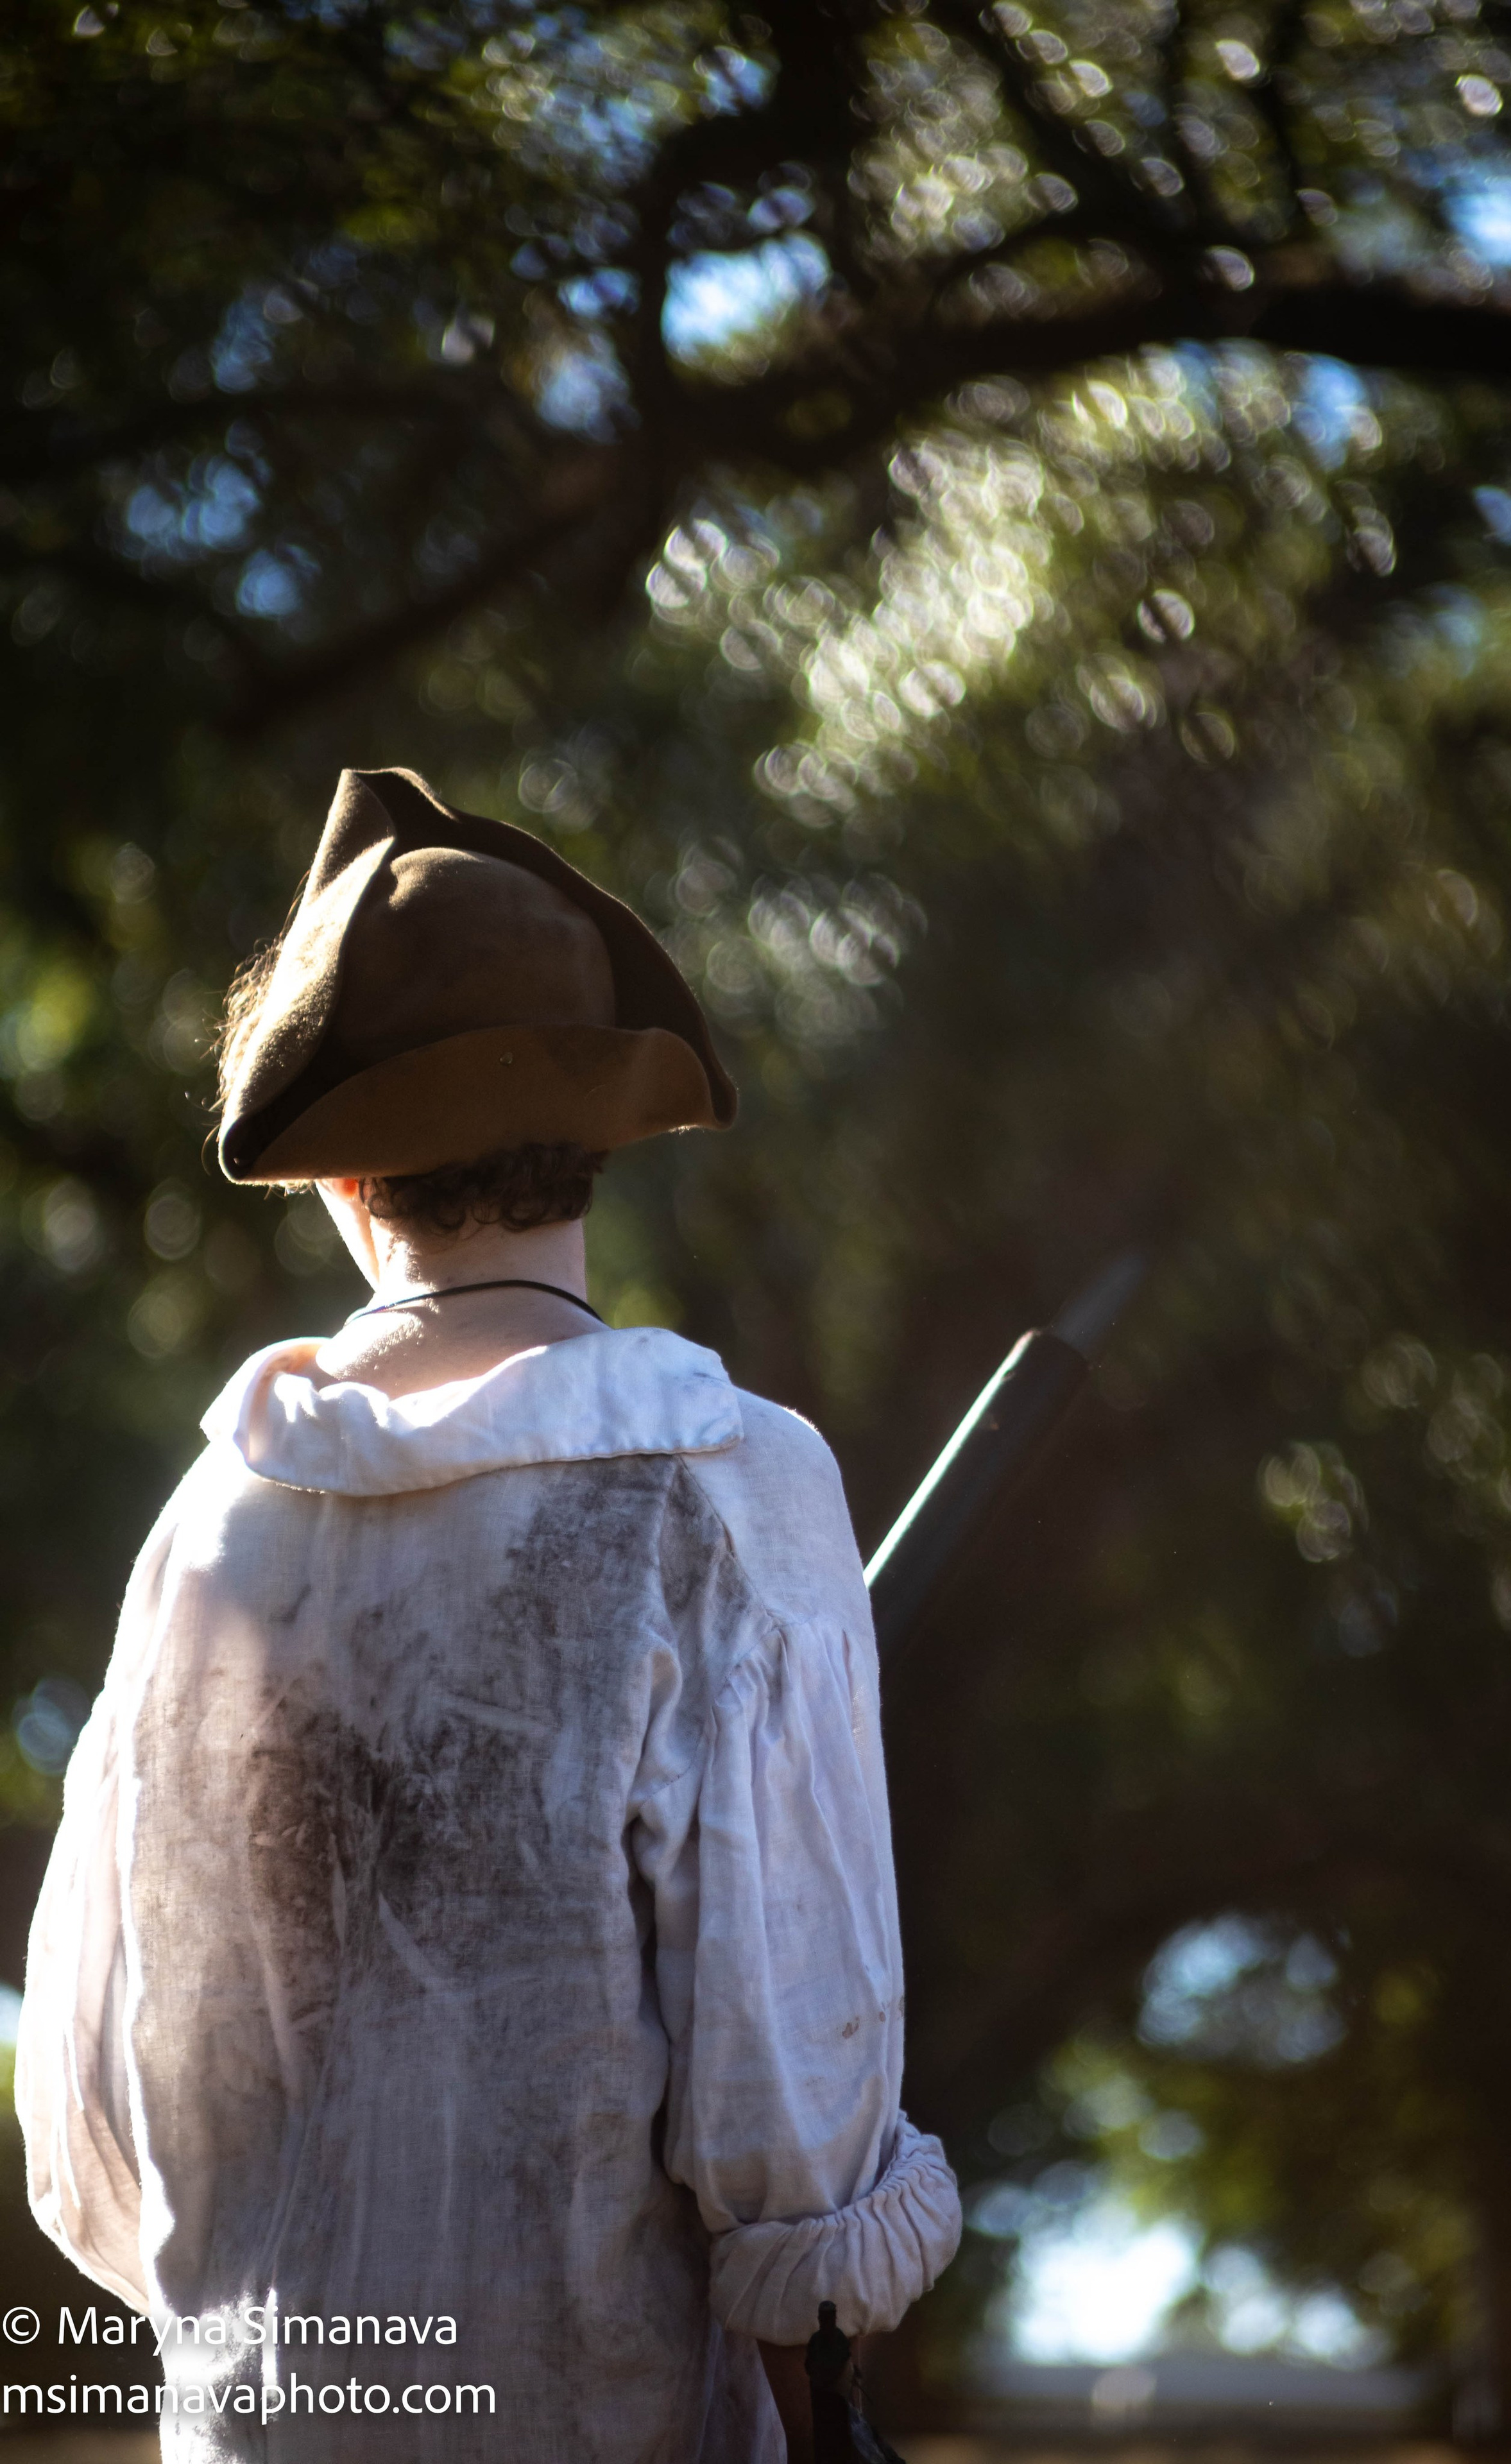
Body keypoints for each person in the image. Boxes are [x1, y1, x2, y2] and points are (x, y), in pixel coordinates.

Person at [15, 766, 961, 2461]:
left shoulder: (204, 1533)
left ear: (338, 1176)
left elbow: (86, 2130)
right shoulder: (728, 1481)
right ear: (601, 1131)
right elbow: (794, 2121)